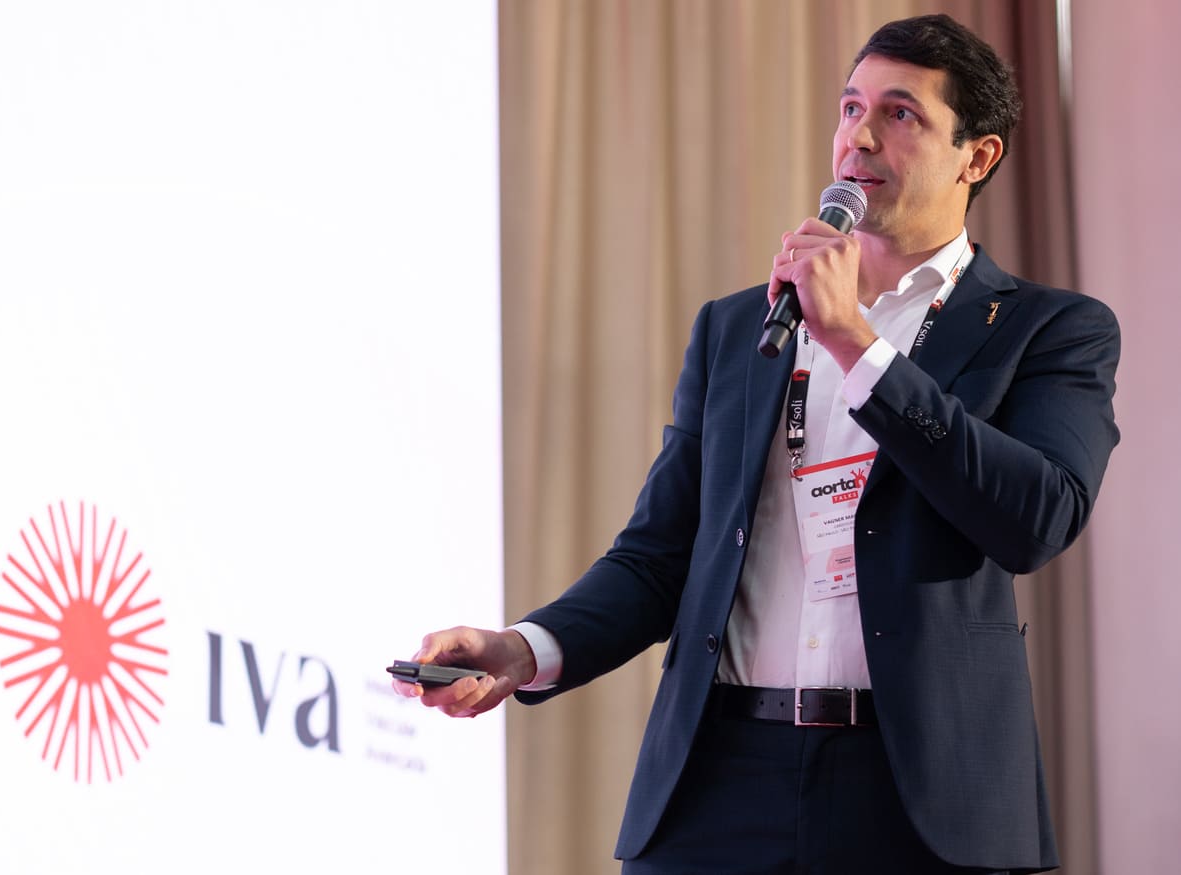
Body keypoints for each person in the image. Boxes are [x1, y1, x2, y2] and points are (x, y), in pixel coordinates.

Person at [393, 13, 1118, 874]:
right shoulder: (741, 326)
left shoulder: (1048, 329)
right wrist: (525, 648)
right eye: (850, 108)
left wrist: (855, 345)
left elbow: (1035, 518)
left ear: (977, 156)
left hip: (919, 797)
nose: (858, 138)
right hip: (719, 780)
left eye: (899, 114)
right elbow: (660, 555)